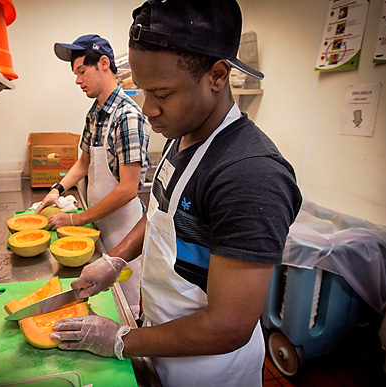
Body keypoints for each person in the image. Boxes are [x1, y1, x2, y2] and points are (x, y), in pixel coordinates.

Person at [49, 1, 303, 386]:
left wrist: (120, 339)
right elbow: (160, 216)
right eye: (142, 89)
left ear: (217, 75)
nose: (148, 109)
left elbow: (228, 326)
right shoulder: (183, 133)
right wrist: (115, 260)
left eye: (162, 94)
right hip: (161, 345)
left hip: (208, 371)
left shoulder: (250, 175)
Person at [36, 34, 150, 318]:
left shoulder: (127, 116)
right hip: (99, 225)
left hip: (125, 230)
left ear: (103, 63)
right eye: (75, 73)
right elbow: (84, 162)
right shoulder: (95, 113)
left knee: (125, 308)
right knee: (103, 303)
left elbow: (128, 189)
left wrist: (76, 219)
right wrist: (57, 189)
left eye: (81, 71)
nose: (77, 80)